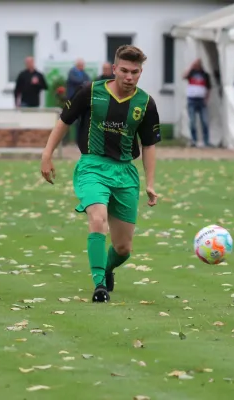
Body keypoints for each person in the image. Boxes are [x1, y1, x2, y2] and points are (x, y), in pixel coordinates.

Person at [40, 45, 161, 303]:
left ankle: (107, 268)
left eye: (135, 72)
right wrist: (47, 154)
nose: (129, 77)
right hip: (92, 166)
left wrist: (149, 183)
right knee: (97, 218)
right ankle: (99, 285)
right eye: (124, 71)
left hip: (125, 173)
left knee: (123, 248)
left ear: (140, 72)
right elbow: (64, 120)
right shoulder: (91, 92)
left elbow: (149, 145)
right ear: (114, 68)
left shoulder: (146, 103)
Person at [183, 59, 211, 147]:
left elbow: (209, 87)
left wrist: (206, 98)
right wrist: (191, 66)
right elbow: (184, 76)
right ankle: (194, 141)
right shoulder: (191, 73)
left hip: (201, 100)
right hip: (191, 99)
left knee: (205, 121)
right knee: (192, 122)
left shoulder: (205, 74)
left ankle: (206, 141)